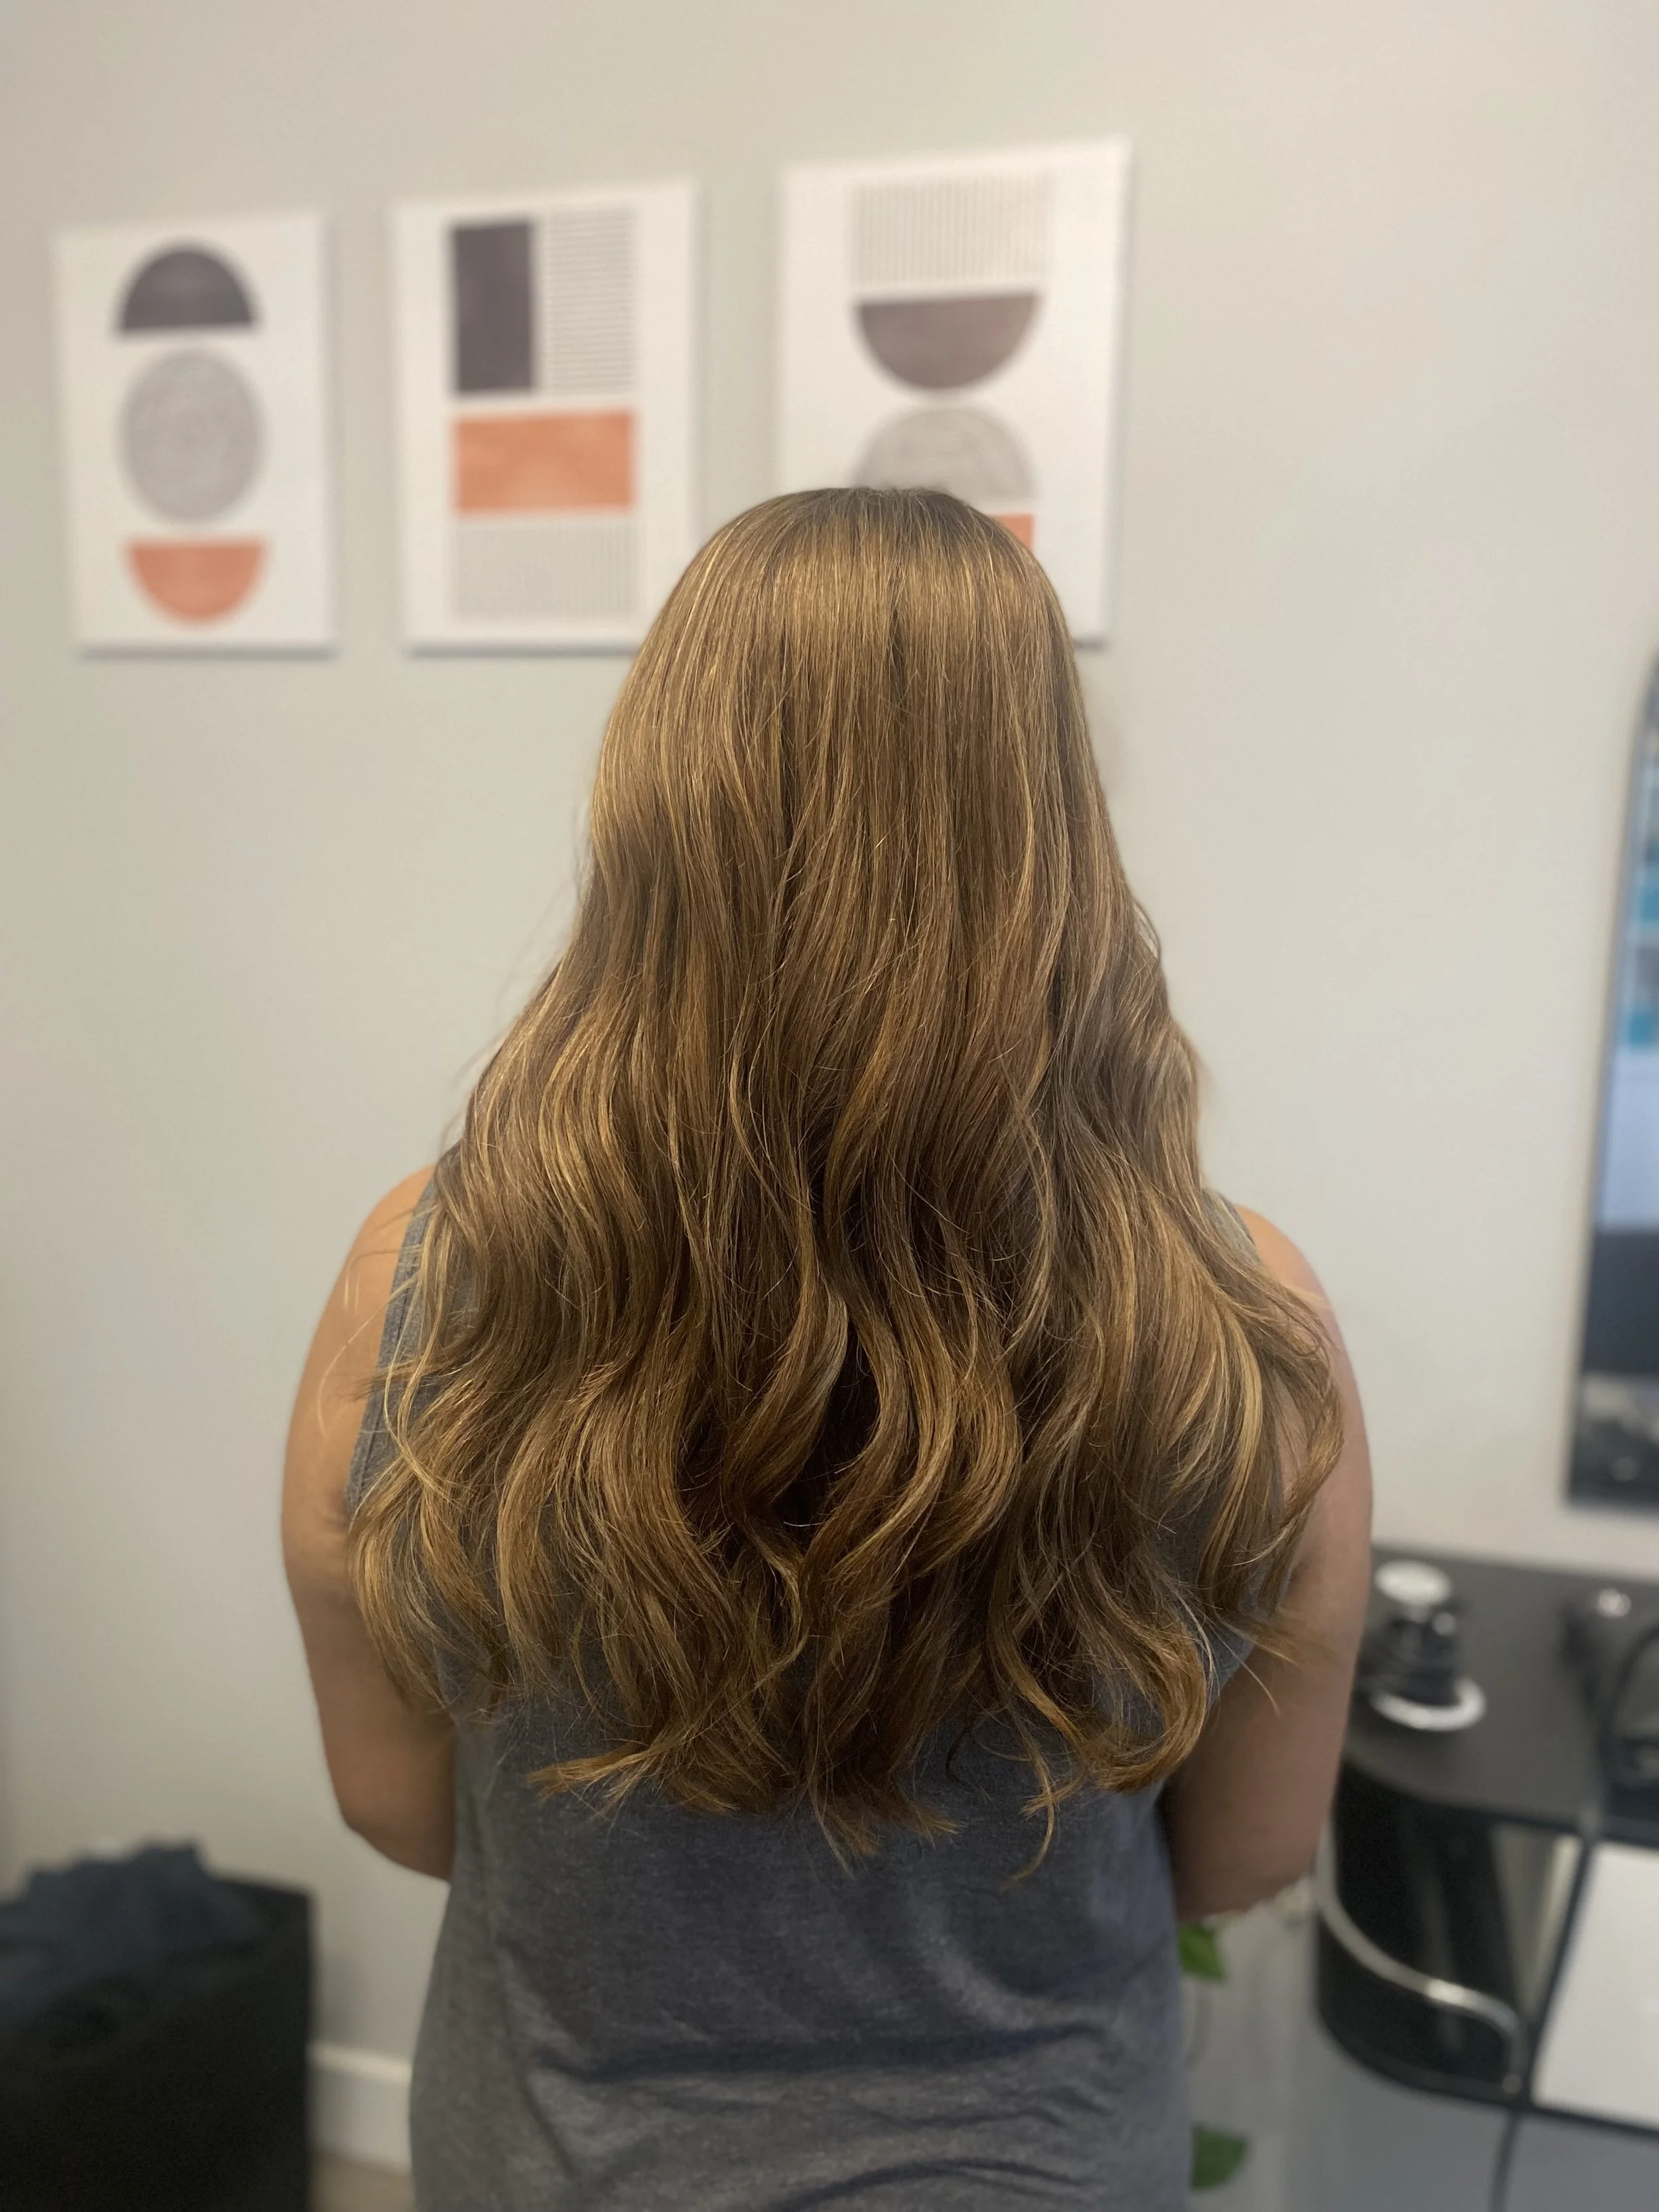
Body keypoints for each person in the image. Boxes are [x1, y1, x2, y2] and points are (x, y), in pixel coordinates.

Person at [283, 488, 1372, 2211]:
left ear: (654, 813)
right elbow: (1247, 1852)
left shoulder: (420, 1284)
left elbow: (398, 1809)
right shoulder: (1251, 1330)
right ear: (1050, 826)